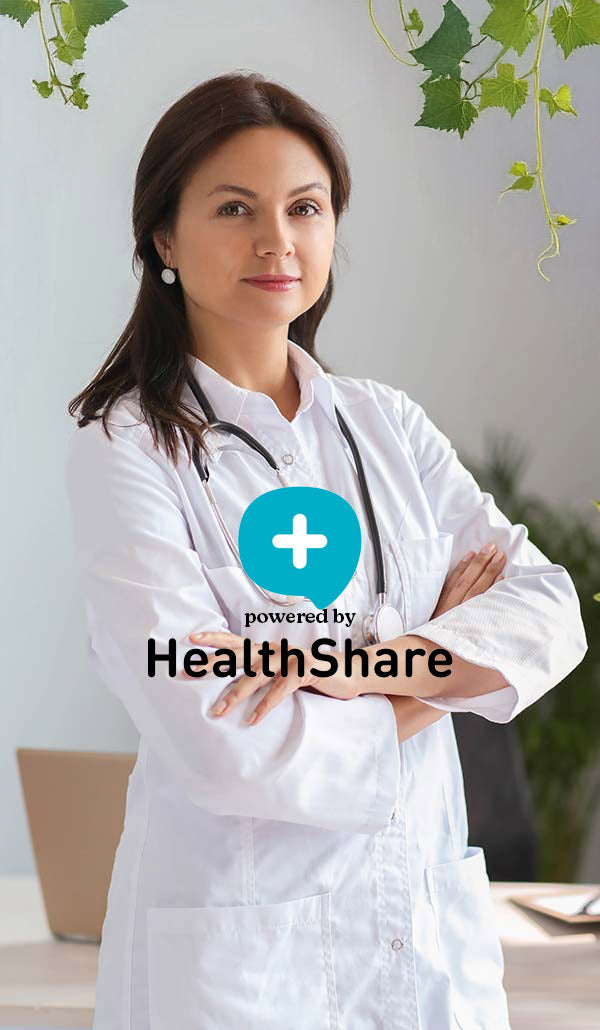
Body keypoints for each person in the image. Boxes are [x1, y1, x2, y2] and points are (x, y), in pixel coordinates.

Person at [65, 71, 588, 1030]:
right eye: (235, 208)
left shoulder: (387, 426)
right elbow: (217, 734)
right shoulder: (129, 446)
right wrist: (439, 668)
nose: (278, 241)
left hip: (423, 940)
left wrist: (352, 671)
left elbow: (549, 611)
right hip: (243, 970)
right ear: (164, 241)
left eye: (305, 207)